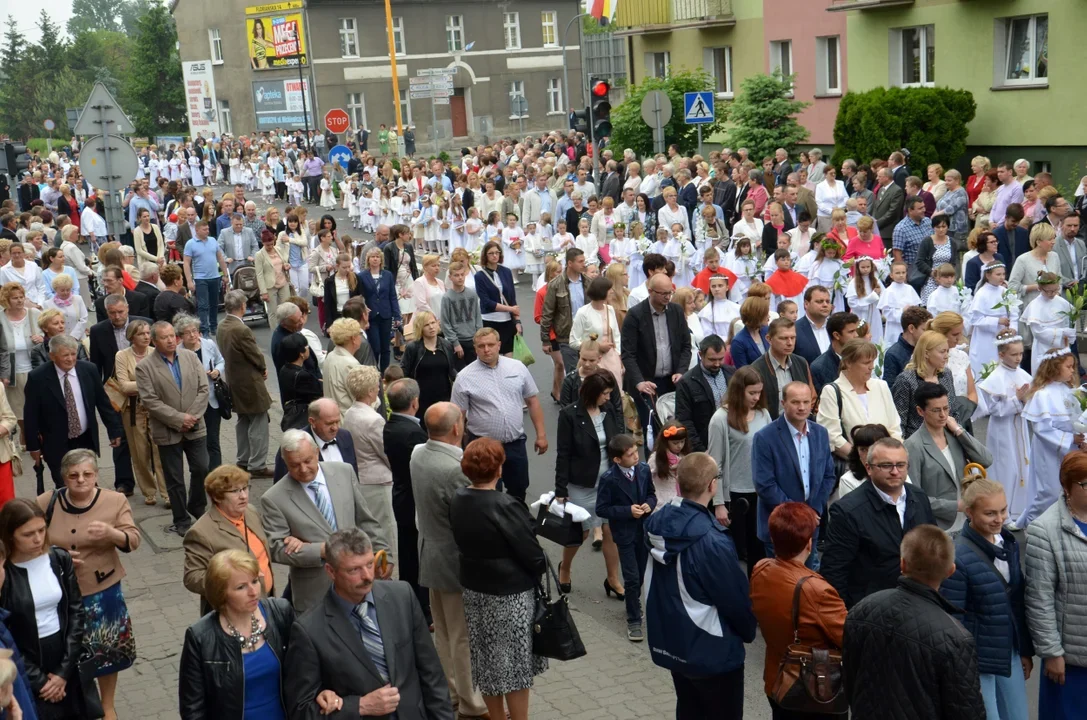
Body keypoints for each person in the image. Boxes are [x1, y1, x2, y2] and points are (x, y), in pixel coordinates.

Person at [282, 527, 450, 720]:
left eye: (370, 564)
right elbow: (301, 710)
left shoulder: (402, 596)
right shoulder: (309, 630)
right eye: (354, 569)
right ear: (330, 571)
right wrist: (359, 706)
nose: (368, 576)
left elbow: (432, 674)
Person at [644, 452, 756, 719]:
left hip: (674, 644)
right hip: (713, 652)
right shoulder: (712, 542)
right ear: (712, 486)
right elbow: (735, 600)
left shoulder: (654, 525)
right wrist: (748, 630)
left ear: (679, 485)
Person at [843, 525, 986, 719]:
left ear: (902, 564)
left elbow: (851, 679)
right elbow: (966, 711)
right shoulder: (956, 638)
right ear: (951, 571)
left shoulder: (861, 609)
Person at [36, 449, 139, 720]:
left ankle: (107, 706)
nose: (81, 480)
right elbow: (27, 539)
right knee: (68, 651)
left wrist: (111, 533)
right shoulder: (47, 501)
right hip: (59, 592)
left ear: (96, 475)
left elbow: (133, 540)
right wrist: (54, 555)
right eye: (73, 475)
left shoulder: (114, 501)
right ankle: (80, 701)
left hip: (102, 591)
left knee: (107, 651)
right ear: (63, 478)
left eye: (87, 474)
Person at [451, 438, 546, 720]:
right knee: (514, 667)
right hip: (509, 596)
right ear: (499, 469)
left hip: (475, 591)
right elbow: (533, 555)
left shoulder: (459, 498)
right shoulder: (504, 504)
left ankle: (496, 717)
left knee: (487, 661)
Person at [410, 402, 488, 718]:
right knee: (462, 636)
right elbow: (470, 519)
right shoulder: (457, 468)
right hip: (454, 561)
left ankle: (452, 692)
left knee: (443, 631)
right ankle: (472, 703)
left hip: (429, 552)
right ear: (457, 428)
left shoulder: (418, 453)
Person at [260, 430, 391, 613]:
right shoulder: (274, 498)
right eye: (294, 465)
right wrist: (320, 550)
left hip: (359, 583)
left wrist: (385, 555)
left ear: (316, 452)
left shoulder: (344, 472)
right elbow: (277, 548)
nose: (303, 469)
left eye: (307, 461)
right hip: (315, 593)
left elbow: (365, 520)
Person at [939, 473, 1033, 720]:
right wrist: (963, 672)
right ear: (969, 513)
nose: (1000, 519)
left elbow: (1016, 603)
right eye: (990, 513)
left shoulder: (1008, 543)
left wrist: (1023, 649)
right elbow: (953, 620)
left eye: (1003, 510)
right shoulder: (957, 557)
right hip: (977, 662)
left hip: (1008, 652)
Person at [0, 498, 101, 719]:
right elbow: (6, 634)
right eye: (28, 534)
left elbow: (76, 612)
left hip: (64, 653)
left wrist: (63, 671)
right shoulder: (4, 574)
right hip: (27, 658)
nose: (38, 539)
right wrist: (40, 681)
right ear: (9, 535)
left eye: (42, 530)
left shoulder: (58, 559)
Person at [749, 502, 848, 720]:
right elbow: (848, 639)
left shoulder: (761, 568)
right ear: (809, 544)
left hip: (776, 679)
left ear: (773, 539)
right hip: (810, 689)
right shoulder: (817, 590)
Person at [179, 550, 304, 720]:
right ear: (221, 593)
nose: (253, 592)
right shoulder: (201, 636)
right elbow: (192, 708)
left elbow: (305, 669)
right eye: (241, 587)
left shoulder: (280, 613)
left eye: (254, 581)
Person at [821, 437, 937, 608]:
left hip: (918, 604)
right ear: (868, 468)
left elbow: (932, 547)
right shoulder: (847, 511)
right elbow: (834, 572)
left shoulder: (918, 497)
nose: (895, 471)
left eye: (900, 465)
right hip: (872, 611)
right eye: (886, 465)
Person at [451, 328, 547, 502]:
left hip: (515, 443)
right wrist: (457, 449)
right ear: (475, 348)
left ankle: (516, 523)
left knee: (519, 488)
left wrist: (541, 435)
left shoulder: (517, 367)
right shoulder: (464, 377)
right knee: (488, 495)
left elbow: (532, 400)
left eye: (490, 345)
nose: (486, 349)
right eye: (481, 346)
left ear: (499, 345)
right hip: (483, 448)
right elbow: (458, 416)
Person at [553, 370, 626, 599]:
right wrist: (560, 489)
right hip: (582, 483)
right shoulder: (569, 415)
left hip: (609, 481)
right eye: (604, 393)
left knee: (610, 531)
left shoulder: (609, 410)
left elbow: (618, 442)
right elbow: (563, 454)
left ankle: (613, 578)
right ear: (593, 393)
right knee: (581, 533)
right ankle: (565, 568)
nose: (608, 398)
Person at [1026, 450, 1087, 718]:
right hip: (1070, 662)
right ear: (1067, 486)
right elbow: (1039, 599)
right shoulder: (1045, 530)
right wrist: (1051, 652)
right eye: (1086, 484)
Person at [136, 321, 210, 536]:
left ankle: (196, 505)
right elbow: (150, 401)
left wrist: (192, 416)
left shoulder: (190, 356)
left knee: (201, 468)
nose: (170, 340)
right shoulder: (145, 367)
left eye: (172, 336)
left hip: (195, 426)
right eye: (164, 337)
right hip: (168, 430)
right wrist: (179, 419)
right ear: (154, 341)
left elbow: (203, 389)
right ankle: (181, 519)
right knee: (174, 478)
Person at [751, 382, 836, 568]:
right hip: (780, 528)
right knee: (781, 585)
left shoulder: (821, 433)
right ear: (783, 402)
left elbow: (828, 476)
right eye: (796, 402)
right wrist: (799, 514)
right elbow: (765, 484)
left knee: (810, 580)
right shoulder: (765, 437)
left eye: (806, 402)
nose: (802, 407)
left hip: (810, 526)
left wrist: (813, 510)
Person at [24, 335, 123, 488]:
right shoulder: (38, 377)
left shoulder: (89, 370)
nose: (70, 359)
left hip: (85, 438)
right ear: (52, 356)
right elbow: (30, 415)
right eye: (65, 355)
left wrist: (114, 430)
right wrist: (34, 447)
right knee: (65, 484)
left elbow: (103, 403)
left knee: (88, 481)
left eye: (73, 354)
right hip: (56, 442)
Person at [183, 465, 275, 617]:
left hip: (265, 604)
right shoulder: (201, 532)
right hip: (232, 614)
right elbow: (192, 577)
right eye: (235, 491)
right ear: (218, 496)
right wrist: (231, 580)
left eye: (245, 488)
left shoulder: (250, 511)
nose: (243, 496)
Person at [904, 382, 993, 531]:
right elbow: (915, 497)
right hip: (938, 526)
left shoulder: (954, 435)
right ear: (920, 411)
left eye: (946, 408)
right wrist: (956, 506)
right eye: (936, 410)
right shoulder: (913, 446)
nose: (943, 415)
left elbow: (986, 459)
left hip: (968, 522)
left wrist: (959, 430)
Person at [596, 433, 657, 642]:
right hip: (624, 534)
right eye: (630, 454)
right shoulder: (609, 479)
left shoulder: (643, 469)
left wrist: (650, 504)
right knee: (631, 579)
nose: (635, 456)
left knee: (639, 575)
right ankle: (633, 619)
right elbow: (602, 509)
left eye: (635, 451)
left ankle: (632, 600)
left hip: (643, 531)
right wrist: (627, 511)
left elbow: (651, 493)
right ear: (617, 460)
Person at [1016, 348, 1083, 528]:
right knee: (1050, 491)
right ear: (1054, 367)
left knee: (1070, 489)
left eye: (1073, 367)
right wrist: (1069, 439)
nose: (1072, 370)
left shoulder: (1071, 391)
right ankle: (1033, 526)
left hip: (1071, 450)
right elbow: (1042, 429)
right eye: (1068, 366)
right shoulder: (1042, 394)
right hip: (1049, 452)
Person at [621, 272, 692, 441]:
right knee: (652, 432)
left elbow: (686, 346)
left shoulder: (676, 311)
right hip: (647, 384)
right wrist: (639, 382)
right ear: (650, 291)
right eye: (663, 293)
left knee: (675, 430)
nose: (668, 297)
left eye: (670, 292)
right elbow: (628, 354)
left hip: (672, 381)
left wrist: (681, 371)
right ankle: (653, 466)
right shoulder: (635, 315)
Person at [383, 379, 431, 622]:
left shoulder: (392, 425)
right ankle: (421, 609)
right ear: (415, 403)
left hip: (402, 497)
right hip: (413, 502)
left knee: (409, 553)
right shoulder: (413, 433)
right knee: (416, 557)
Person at [110, 319, 169, 507]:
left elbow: (165, 380)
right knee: (140, 452)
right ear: (131, 337)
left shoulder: (156, 353)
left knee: (161, 451)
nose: (146, 336)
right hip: (133, 410)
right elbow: (124, 386)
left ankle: (167, 493)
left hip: (156, 409)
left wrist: (143, 386)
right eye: (141, 334)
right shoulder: (122, 355)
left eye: (147, 333)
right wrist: (150, 384)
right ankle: (149, 491)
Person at [818, 339, 902, 468]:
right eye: (866, 362)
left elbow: (894, 427)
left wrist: (889, 458)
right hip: (853, 467)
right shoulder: (832, 391)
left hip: (888, 465)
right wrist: (864, 461)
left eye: (873, 361)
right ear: (848, 363)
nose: (872, 367)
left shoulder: (881, 386)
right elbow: (832, 436)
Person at [217, 290, 273, 478]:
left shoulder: (222, 325)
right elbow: (255, 354)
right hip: (249, 381)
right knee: (258, 421)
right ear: (243, 306)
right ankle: (257, 464)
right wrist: (263, 367)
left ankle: (243, 459)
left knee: (243, 421)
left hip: (234, 379)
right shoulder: (241, 329)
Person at [174, 314, 226, 471]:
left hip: (211, 400)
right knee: (196, 441)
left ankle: (216, 474)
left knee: (213, 440)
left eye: (195, 331)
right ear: (181, 336)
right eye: (187, 332)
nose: (192, 335)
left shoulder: (208, 344)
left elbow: (221, 360)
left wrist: (217, 370)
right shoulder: (177, 351)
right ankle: (200, 472)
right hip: (191, 403)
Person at [892, 329, 958, 439]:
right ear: (927, 353)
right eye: (942, 352)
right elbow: (899, 420)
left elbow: (954, 411)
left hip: (946, 438)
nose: (946, 356)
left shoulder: (946, 374)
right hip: (917, 442)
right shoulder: (906, 380)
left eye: (947, 351)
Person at [750, 318, 816, 419]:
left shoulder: (801, 362)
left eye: (793, 338)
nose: (790, 343)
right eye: (783, 338)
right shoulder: (756, 369)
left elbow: (811, 397)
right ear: (769, 339)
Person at [401, 312, 457, 424]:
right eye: (426, 325)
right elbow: (404, 373)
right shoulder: (413, 348)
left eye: (433, 323)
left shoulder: (447, 345)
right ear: (420, 328)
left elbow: (451, 370)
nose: (431, 327)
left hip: (444, 396)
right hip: (421, 399)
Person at [539, 248, 588, 371]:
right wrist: (545, 340)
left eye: (584, 261)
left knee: (589, 373)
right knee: (573, 373)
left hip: (587, 334)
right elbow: (547, 313)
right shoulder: (555, 284)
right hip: (567, 336)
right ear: (570, 263)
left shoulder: (588, 282)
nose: (584, 264)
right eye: (580, 261)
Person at [183, 220, 231, 337]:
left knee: (215, 304)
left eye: (208, 229)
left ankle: (214, 326)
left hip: (215, 277)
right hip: (200, 278)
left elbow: (220, 258)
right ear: (197, 230)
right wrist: (189, 281)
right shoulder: (190, 243)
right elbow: (186, 263)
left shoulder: (213, 240)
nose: (207, 231)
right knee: (203, 305)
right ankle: (204, 329)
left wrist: (225, 274)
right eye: (204, 229)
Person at [358, 248, 400, 371]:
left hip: (385, 314)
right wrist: (363, 308)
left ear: (381, 259)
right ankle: (374, 371)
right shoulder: (362, 276)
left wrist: (397, 316)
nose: (375, 259)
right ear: (368, 259)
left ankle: (385, 374)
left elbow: (392, 296)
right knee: (375, 347)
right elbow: (360, 296)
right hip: (371, 317)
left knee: (386, 348)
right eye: (372, 257)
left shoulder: (387, 275)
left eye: (377, 256)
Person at [475, 241, 519, 355]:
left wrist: (517, 321)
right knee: (493, 356)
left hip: (507, 321)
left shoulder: (506, 272)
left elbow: (512, 299)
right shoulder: (480, 276)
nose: (495, 255)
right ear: (485, 256)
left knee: (509, 356)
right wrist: (510, 309)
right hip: (490, 320)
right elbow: (486, 302)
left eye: (497, 252)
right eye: (491, 253)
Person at [809, 311, 859, 395]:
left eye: (856, 331)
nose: (856, 335)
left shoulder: (860, 358)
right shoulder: (819, 367)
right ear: (836, 335)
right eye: (851, 332)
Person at [882, 305, 931, 388]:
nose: (928, 334)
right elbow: (890, 389)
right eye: (924, 330)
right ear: (911, 328)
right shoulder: (893, 354)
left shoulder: (928, 348)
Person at [321, 317, 363, 415]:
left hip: (332, 415)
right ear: (353, 338)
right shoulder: (351, 365)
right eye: (359, 334)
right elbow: (361, 400)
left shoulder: (331, 356)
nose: (361, 337)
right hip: (346, 419)